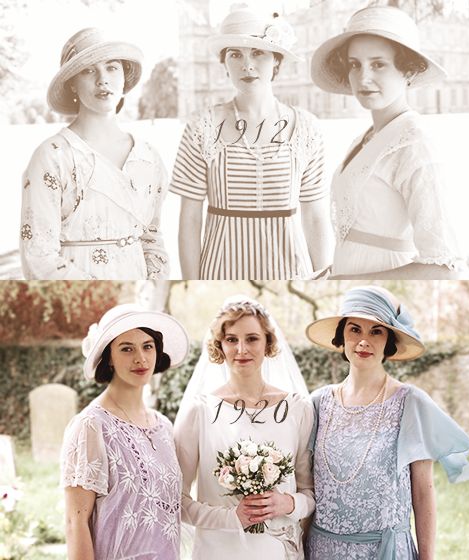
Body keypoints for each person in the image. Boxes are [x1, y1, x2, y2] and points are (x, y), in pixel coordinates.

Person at [305, 285, 469, 559]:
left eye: (375, 331)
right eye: (355, 329)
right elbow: (305, 483)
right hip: (322, 550)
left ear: (389, 341)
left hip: (384, 551)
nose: (364, 341)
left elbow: (423, 492)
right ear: (341, 335)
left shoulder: (410, 402)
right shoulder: (318, 402)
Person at [170, 7, 333, 280]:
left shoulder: (307, 128)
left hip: (290, 271)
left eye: (258, 53)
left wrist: (322, 278)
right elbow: (189, 219)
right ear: (224, 64)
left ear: (276, 61)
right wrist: (193, 282)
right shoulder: (202, 126)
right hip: (220, 270)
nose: (247, 65)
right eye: (235, 55)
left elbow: (315, 216)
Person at [311, 6, 460, 279]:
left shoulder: (416, 145)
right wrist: (331, 273)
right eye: (355, 65)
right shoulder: (366, 138)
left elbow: (443, 269)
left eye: (378, 64)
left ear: (408, 71)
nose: (363, 77)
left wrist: (343, 280)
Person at [21, 28, 169, 280]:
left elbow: (152, 240)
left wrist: (149, 284)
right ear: (73, 85)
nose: (102, 79)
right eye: (88, 70)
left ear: (124, 77)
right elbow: (38, 254)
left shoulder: (149, 157)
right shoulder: (53, 156)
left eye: (112, 68)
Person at [173, 296, 315, 559]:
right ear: (219, 345)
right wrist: (231, 518)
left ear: (268, 342)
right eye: (231, 340)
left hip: (278, 550)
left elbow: (310, 492)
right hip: (219, 550)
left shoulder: (297, 408)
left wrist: (289, 503)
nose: (241, 349)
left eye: (252, 338)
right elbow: (176, 500)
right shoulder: (200, 411)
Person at [60, 304, 189, 560]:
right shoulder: (91, 426)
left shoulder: (163, 426)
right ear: (108, 356)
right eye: (127, 348)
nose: (140, 358)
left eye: (147, 346)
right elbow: (76, 524)